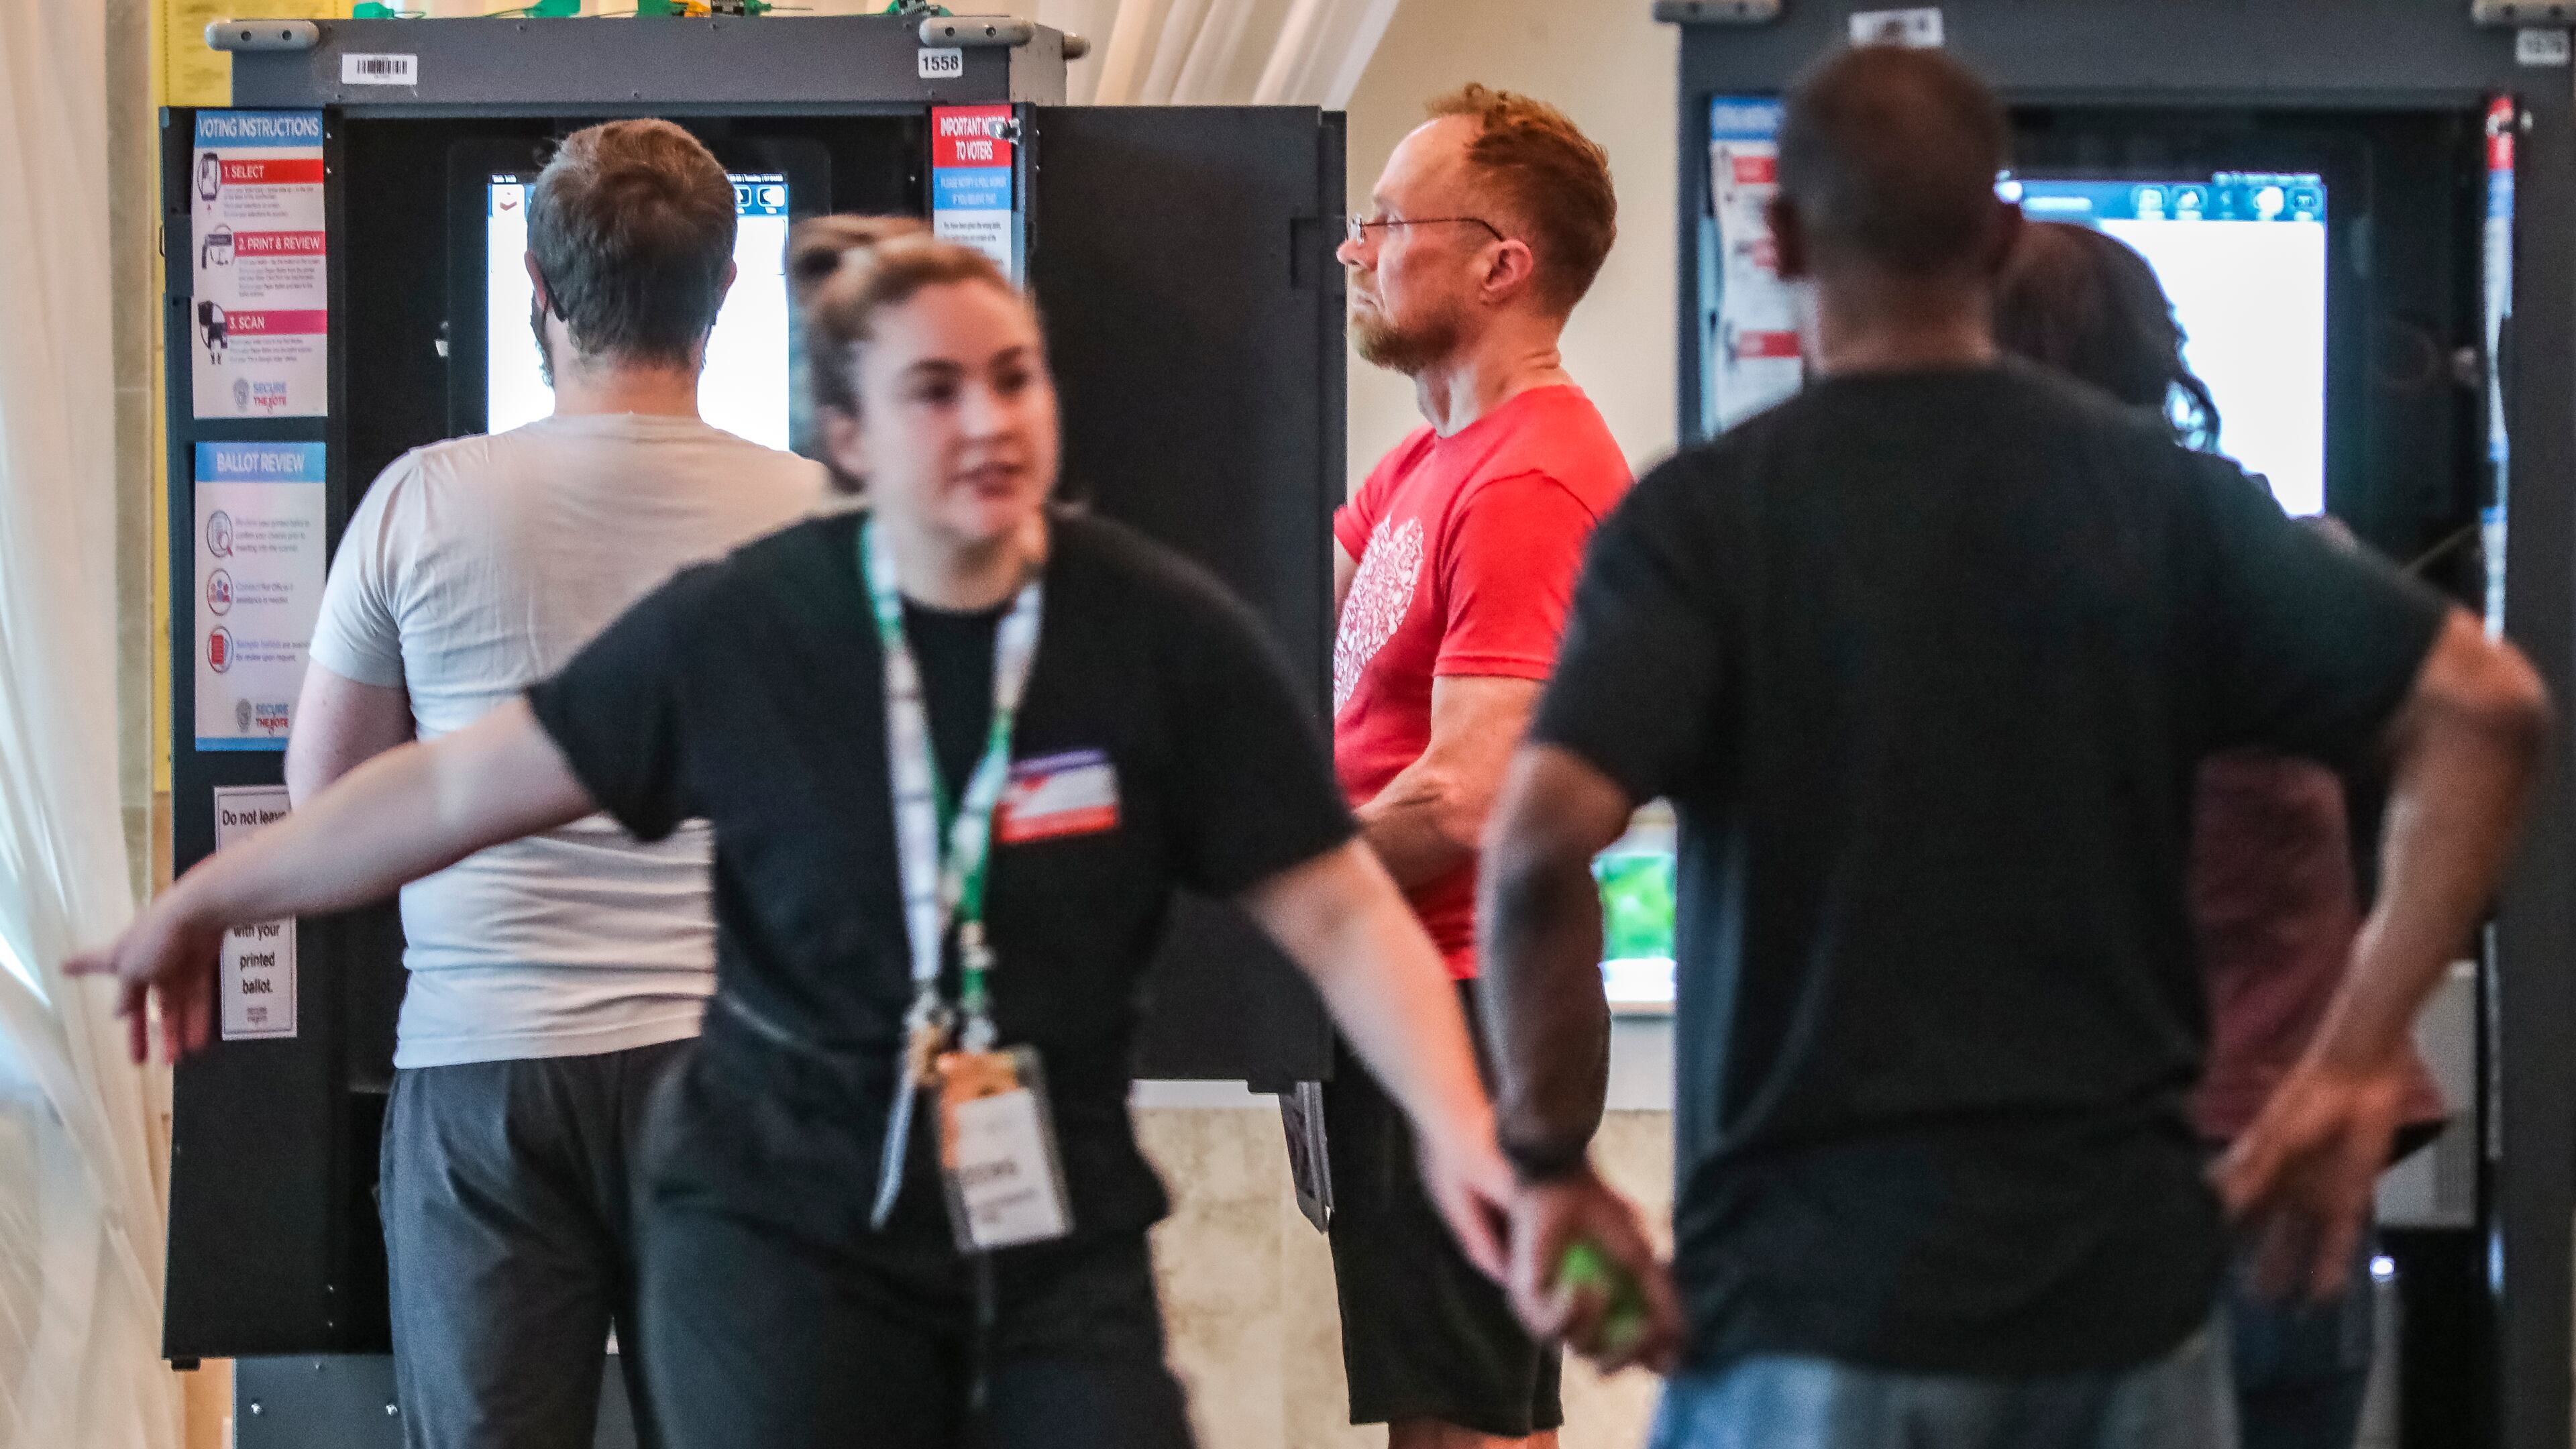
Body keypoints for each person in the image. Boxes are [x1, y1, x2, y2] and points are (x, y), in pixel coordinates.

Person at [78, 221, 1516, 1449]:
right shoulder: (745, 625)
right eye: (934, 391)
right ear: (848, 438)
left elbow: (1338, 911)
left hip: (1035, 1201)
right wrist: (214, 896)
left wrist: (1465, 1132)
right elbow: (453, 791)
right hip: (773, 1217)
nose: (987, 421)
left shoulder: (1163, 636)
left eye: (1013, 378)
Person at [1473, 44, 2549, 1449]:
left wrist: (1549, 1164)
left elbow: (1535, 850)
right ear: (1996, 236)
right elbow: (2489, 712)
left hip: (1808, 1303)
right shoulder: (2167, 503)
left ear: (1780, 237)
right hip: (2117, 1312)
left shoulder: (1702, 522)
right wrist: (2351, 1063)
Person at [284, 117, 826, 1449]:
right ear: (728, 285)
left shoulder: (421, 503)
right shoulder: (828, 520)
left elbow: (330, 808)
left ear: (535, 285)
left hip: (489, 1072)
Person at [1994, 219, 2449, 1449]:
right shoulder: (2288, 569)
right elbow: (2482, 729)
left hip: (2055, 1206)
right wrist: (2363, 1049)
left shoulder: (1970, 603)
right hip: (2277, 1186)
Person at [1324, 83, 1627, 1449]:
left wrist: (1274, 884)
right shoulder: (1428, 462)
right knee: (1438, 1413)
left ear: (1502, 264)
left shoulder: (1527, 481)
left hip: (1469, 1004)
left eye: (1390, 223)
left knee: (1474, 1426)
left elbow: (1468, 793)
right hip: (1414, 994)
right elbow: (1281, 627)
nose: (1355, 248)